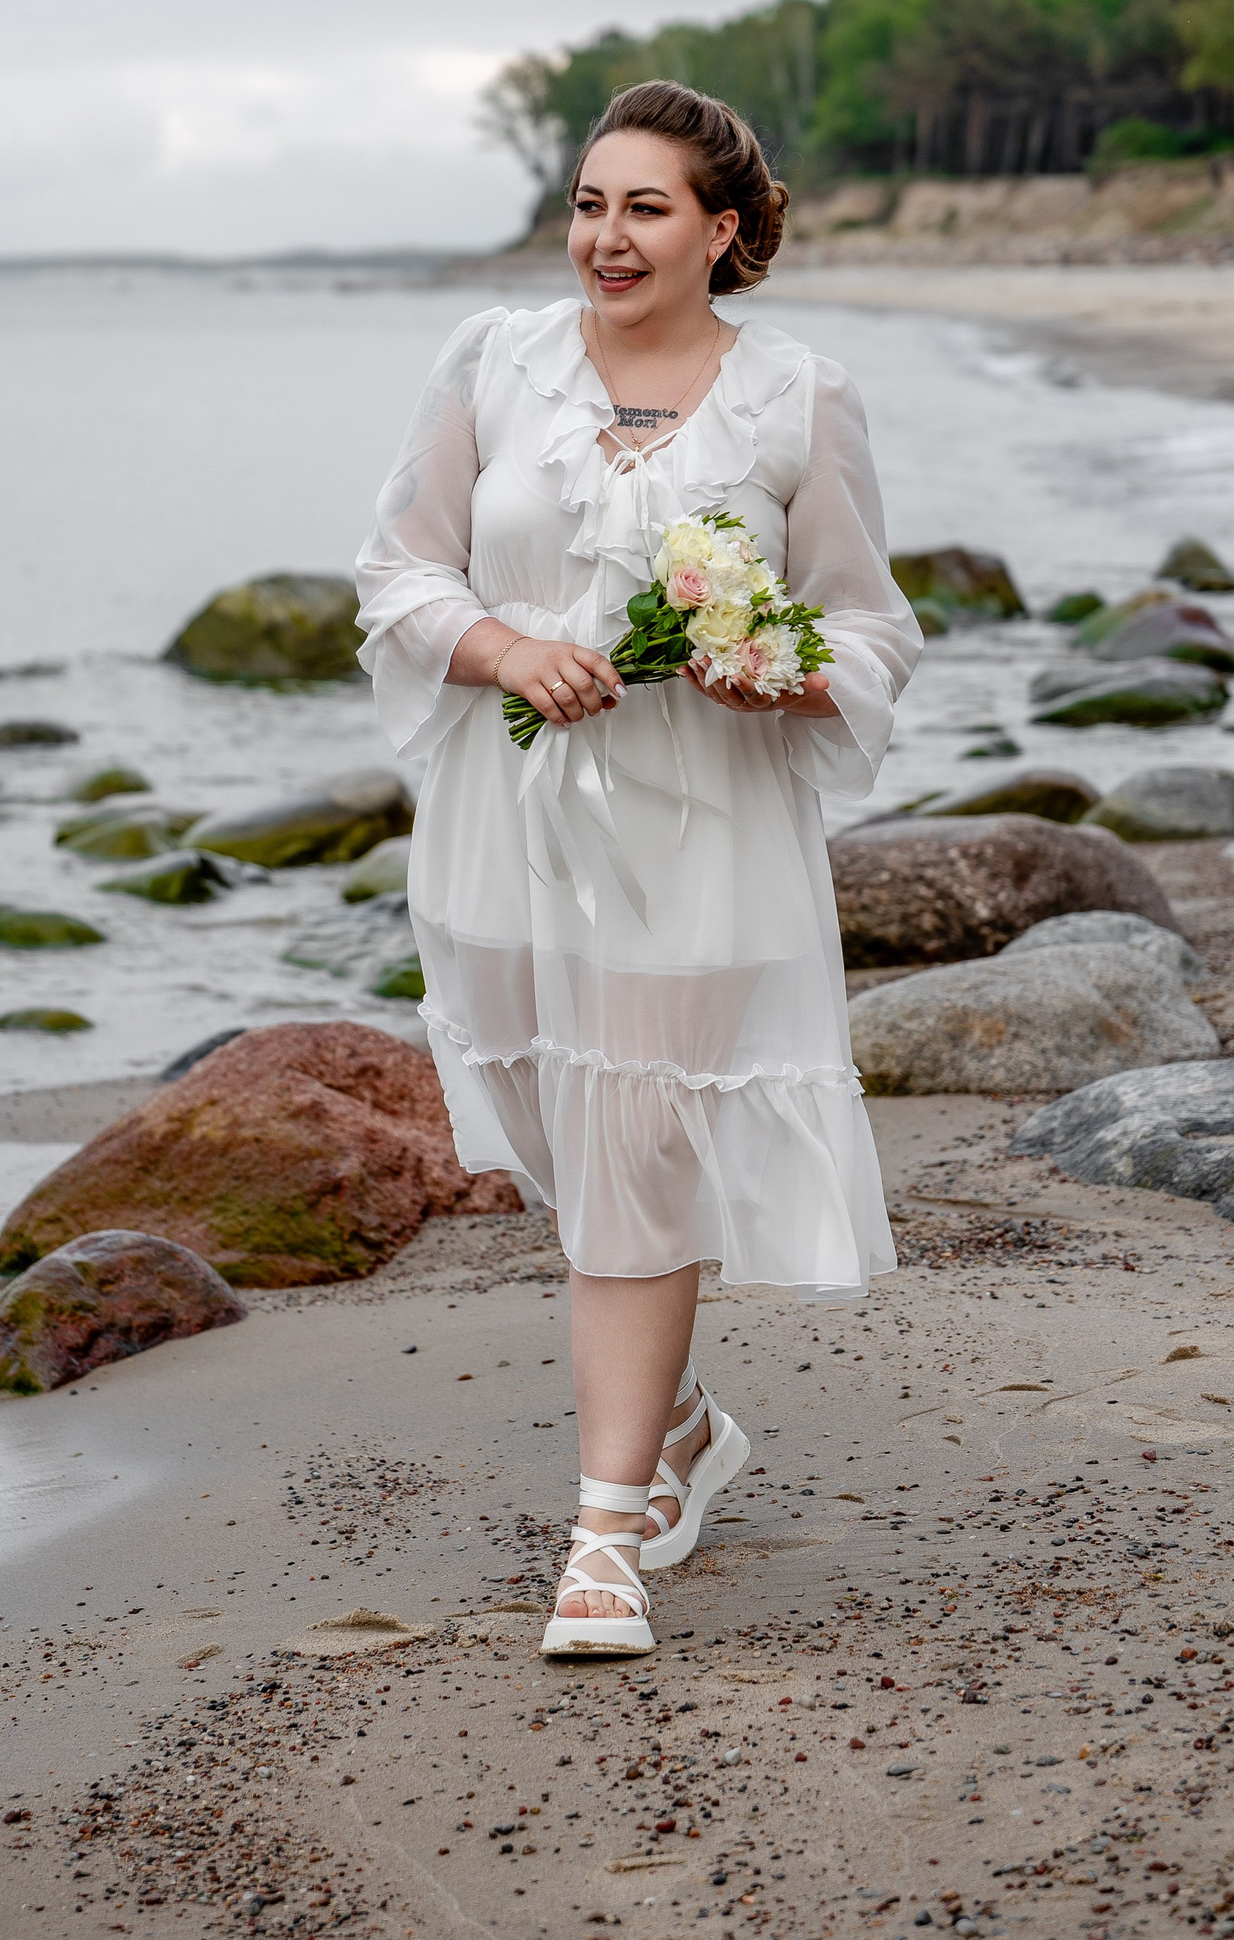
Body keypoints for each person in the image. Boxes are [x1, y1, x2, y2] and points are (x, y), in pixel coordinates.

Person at [355, 79, 922, 1657]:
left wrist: (773, 672)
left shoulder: (798, 398)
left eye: (646, 208)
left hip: (697, 834)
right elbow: (398, 567)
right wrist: (505, 648)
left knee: (641, 1148)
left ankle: (603, 1541)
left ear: (723, 229)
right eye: (590, 203)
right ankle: (675, 1421)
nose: (606, 237)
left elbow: (869, 625)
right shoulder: (494, 360)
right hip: (504, 824)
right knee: (555, 1124)